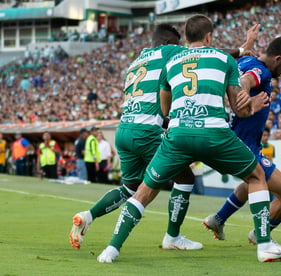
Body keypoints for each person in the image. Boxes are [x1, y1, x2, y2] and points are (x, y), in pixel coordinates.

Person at [97, 14, 281, 263]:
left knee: (143, 191)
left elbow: (164, 110)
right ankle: (264, 246)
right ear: (209, 37)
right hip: (215, 134)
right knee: (256, 176)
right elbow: (240, 110)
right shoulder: (224, 59)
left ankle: (111, 249)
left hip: (178, 136)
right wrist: (254, 106)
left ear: (186, 39)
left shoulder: (172, 62)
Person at [69, 22, 258, 251]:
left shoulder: (135, 62)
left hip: (125, 129)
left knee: (129, 186)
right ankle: (173, 237)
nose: (183, 48)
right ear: (169, 43)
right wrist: (242, 48)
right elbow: (204, 54)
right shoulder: (169, 51)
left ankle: (88, 215)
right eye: (179, 44)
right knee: (185, 178)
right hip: (147, 131)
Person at [202, 36, 281, 256]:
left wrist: (246, 44)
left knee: (253, 181)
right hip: (244, 146)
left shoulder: (244, 60)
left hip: (234, 140)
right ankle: (261, 235)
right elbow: (246, 81)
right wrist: (246, 103)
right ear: (278, 58)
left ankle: (218, 219)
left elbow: (233, 67)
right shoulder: (262, 70)